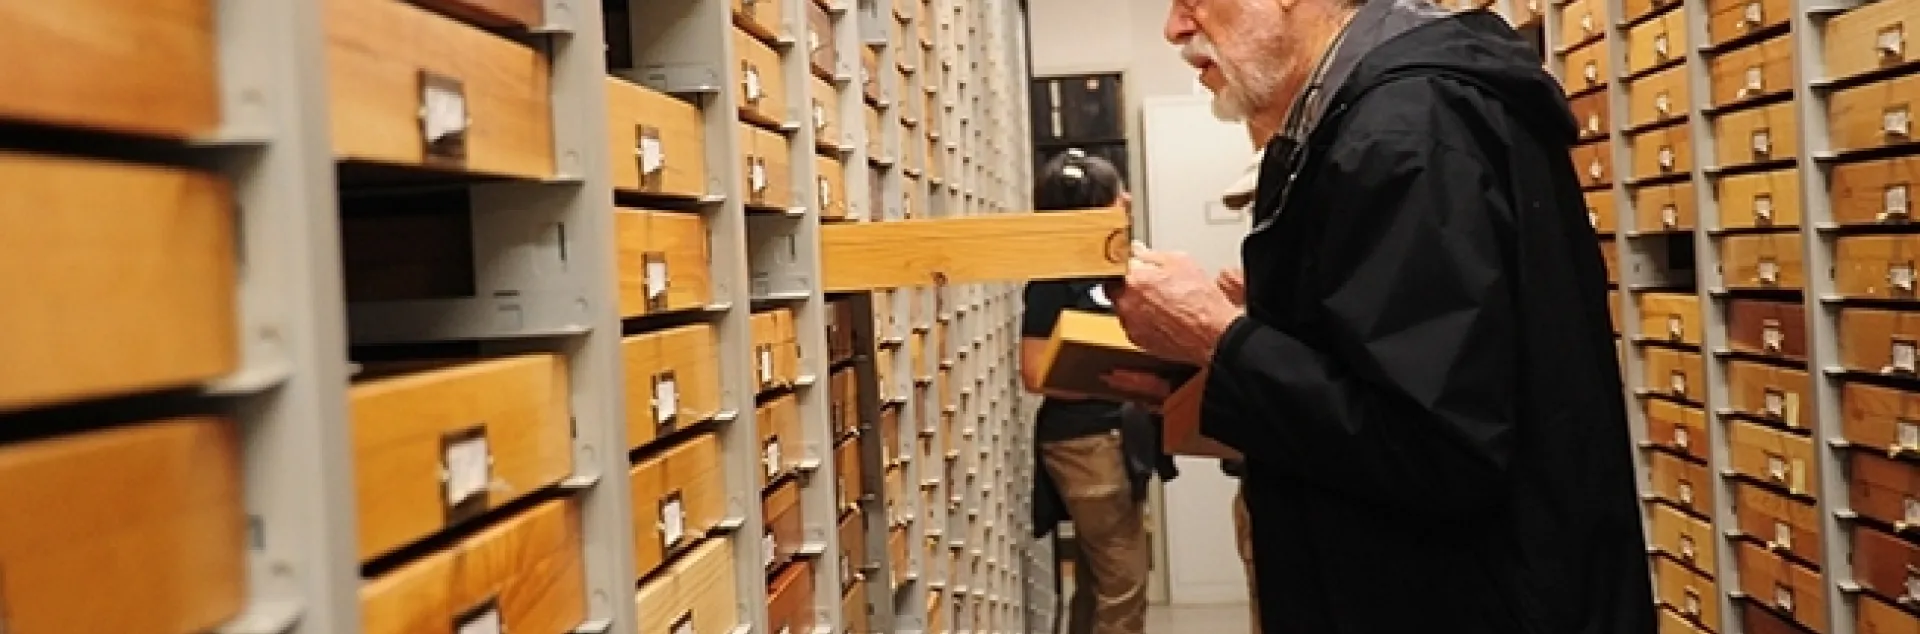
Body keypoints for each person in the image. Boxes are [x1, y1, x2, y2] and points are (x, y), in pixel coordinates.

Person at [1103, 0, 1658, 632]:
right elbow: (1410, 361)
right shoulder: (1375, 117)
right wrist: (1259, 334)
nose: (1174, 28)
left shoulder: (1404, 130)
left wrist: (1220, 339)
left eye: (1192, 0)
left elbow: (1435, 449)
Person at [1020, 150, 1156, 634]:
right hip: (1086, 443)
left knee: (1102, 581)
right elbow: (1035, 373)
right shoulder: (1054, 279)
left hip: (1119, 437)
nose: (1128, 199)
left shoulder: (1114, 266)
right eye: (1115, 193)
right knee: (1124, 583)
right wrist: (1116, 374)